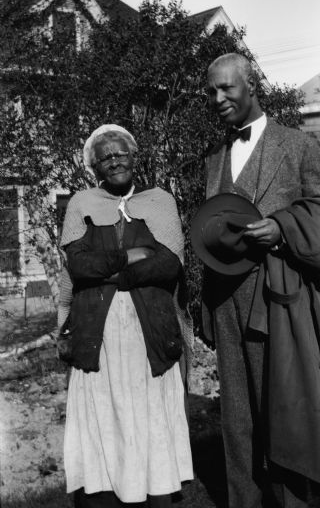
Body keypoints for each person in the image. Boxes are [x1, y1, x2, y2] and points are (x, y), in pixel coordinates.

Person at [199, 53, 320, 508]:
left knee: (283, 410)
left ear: (252, 85)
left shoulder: (298, 146)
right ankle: (243, 500)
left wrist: (282, 227)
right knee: (237, 418)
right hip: (225, 302)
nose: (218, 98)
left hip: (279, 299)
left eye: (227, 88)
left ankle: (293, 500)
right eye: (211, 91)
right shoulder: (213, 159)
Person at [57, 124, 193, 508]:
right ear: (95, 167)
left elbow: (169, 266)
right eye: (106, 157)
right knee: (106, 418)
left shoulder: (160, 201)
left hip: (147, 332)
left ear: (135, 157)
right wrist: (130, 257)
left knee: (148, 419)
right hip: (97, 334)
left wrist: (114, 275)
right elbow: (79, 267)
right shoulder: (81, 204)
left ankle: (152, 492)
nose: (115, 161)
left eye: (121, 154)